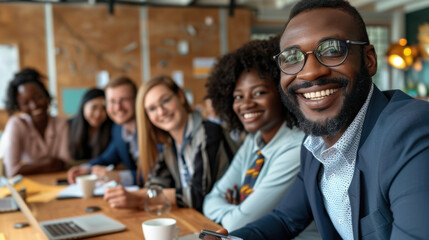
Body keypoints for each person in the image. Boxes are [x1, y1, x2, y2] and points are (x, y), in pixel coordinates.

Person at [208, 0, 429, 239]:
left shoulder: (411, 131)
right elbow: (285, 220)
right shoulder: (314, 148)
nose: (311, 72)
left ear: (369, 60)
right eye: (292, 57)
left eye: (333, 50)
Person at [203, 36, 320, 239]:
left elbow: (236, 223)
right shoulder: (253, 141)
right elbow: (210, 200)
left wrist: (238, 209)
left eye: (258, 93)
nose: (246, 104)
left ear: (283, 93)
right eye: (238, 96)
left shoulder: (297, 147)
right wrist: (238, 211)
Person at [103, 75, 234, 212]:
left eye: (165, 101)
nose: (161, 111)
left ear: (181, 97)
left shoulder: (208, 132)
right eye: (152, 108)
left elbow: (198, 195)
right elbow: (156, 183)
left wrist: (139, 197)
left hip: (222, 223)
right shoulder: (168, 142)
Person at [67, 77, 139, 186]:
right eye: (112, 101)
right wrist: (86, 169)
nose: (118, 107)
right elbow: (107, 158)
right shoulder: (118, 129)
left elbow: (158, 175)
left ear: (137, 100)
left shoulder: (154, 128)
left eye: (124, 99)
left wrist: (119, 176)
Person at [2, 68, 72, 177]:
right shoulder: (15, 125)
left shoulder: (61, 123)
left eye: (39, 97)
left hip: (57, 182)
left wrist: (27, 168)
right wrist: (47, 164)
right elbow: (12, 171)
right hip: (30, 186)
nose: (34, 106)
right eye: (25, 103)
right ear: (19, 106)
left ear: (46, 96)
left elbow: (64, 163)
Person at [68, 88, 113, 162]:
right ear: (83, 106)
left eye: (104, 108)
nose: (98, 113)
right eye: (94, 107)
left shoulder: (113, 128)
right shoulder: (69, 125)